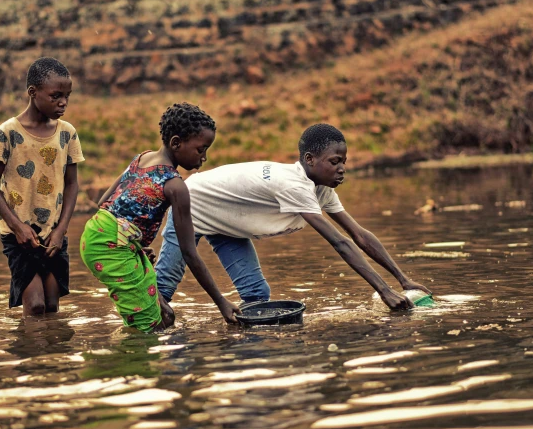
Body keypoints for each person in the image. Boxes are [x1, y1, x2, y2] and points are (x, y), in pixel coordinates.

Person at [155, 123, 433, 310]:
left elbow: (359, 235)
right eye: (334, 162)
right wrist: (384, 291)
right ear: (310, 160)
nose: (341, 169)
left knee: (256, 297)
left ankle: (244, 357)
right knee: (162, 290)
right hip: (193, 205)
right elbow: (340, 242)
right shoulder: (295, 185)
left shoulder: (319, 189)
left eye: (343, 163)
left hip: (230, 221)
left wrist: (403, 280)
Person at [80, 102, 241, 333]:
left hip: (99, 234)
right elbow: (188, 252)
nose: (204, 157)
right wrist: (221, 302)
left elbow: (104, 202)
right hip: (110, 246)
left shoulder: (141, 158)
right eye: (200, 149)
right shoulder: (175, 186)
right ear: (176, 143)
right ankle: (125, 363)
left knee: (165, 315)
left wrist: (131, 243)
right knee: (148, 327)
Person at [0, 57, 84, 316]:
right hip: (17, 234)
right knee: (36, 305)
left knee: (51, 306)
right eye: (55, 96)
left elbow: (72, 184)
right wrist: (18, 227)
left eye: (68, 96)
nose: (63, 102)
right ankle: (31, 356)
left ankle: (50, 356)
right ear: (32, 92)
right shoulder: (7, 132)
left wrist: (61, 230)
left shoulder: (67, 133)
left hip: (53, 234)